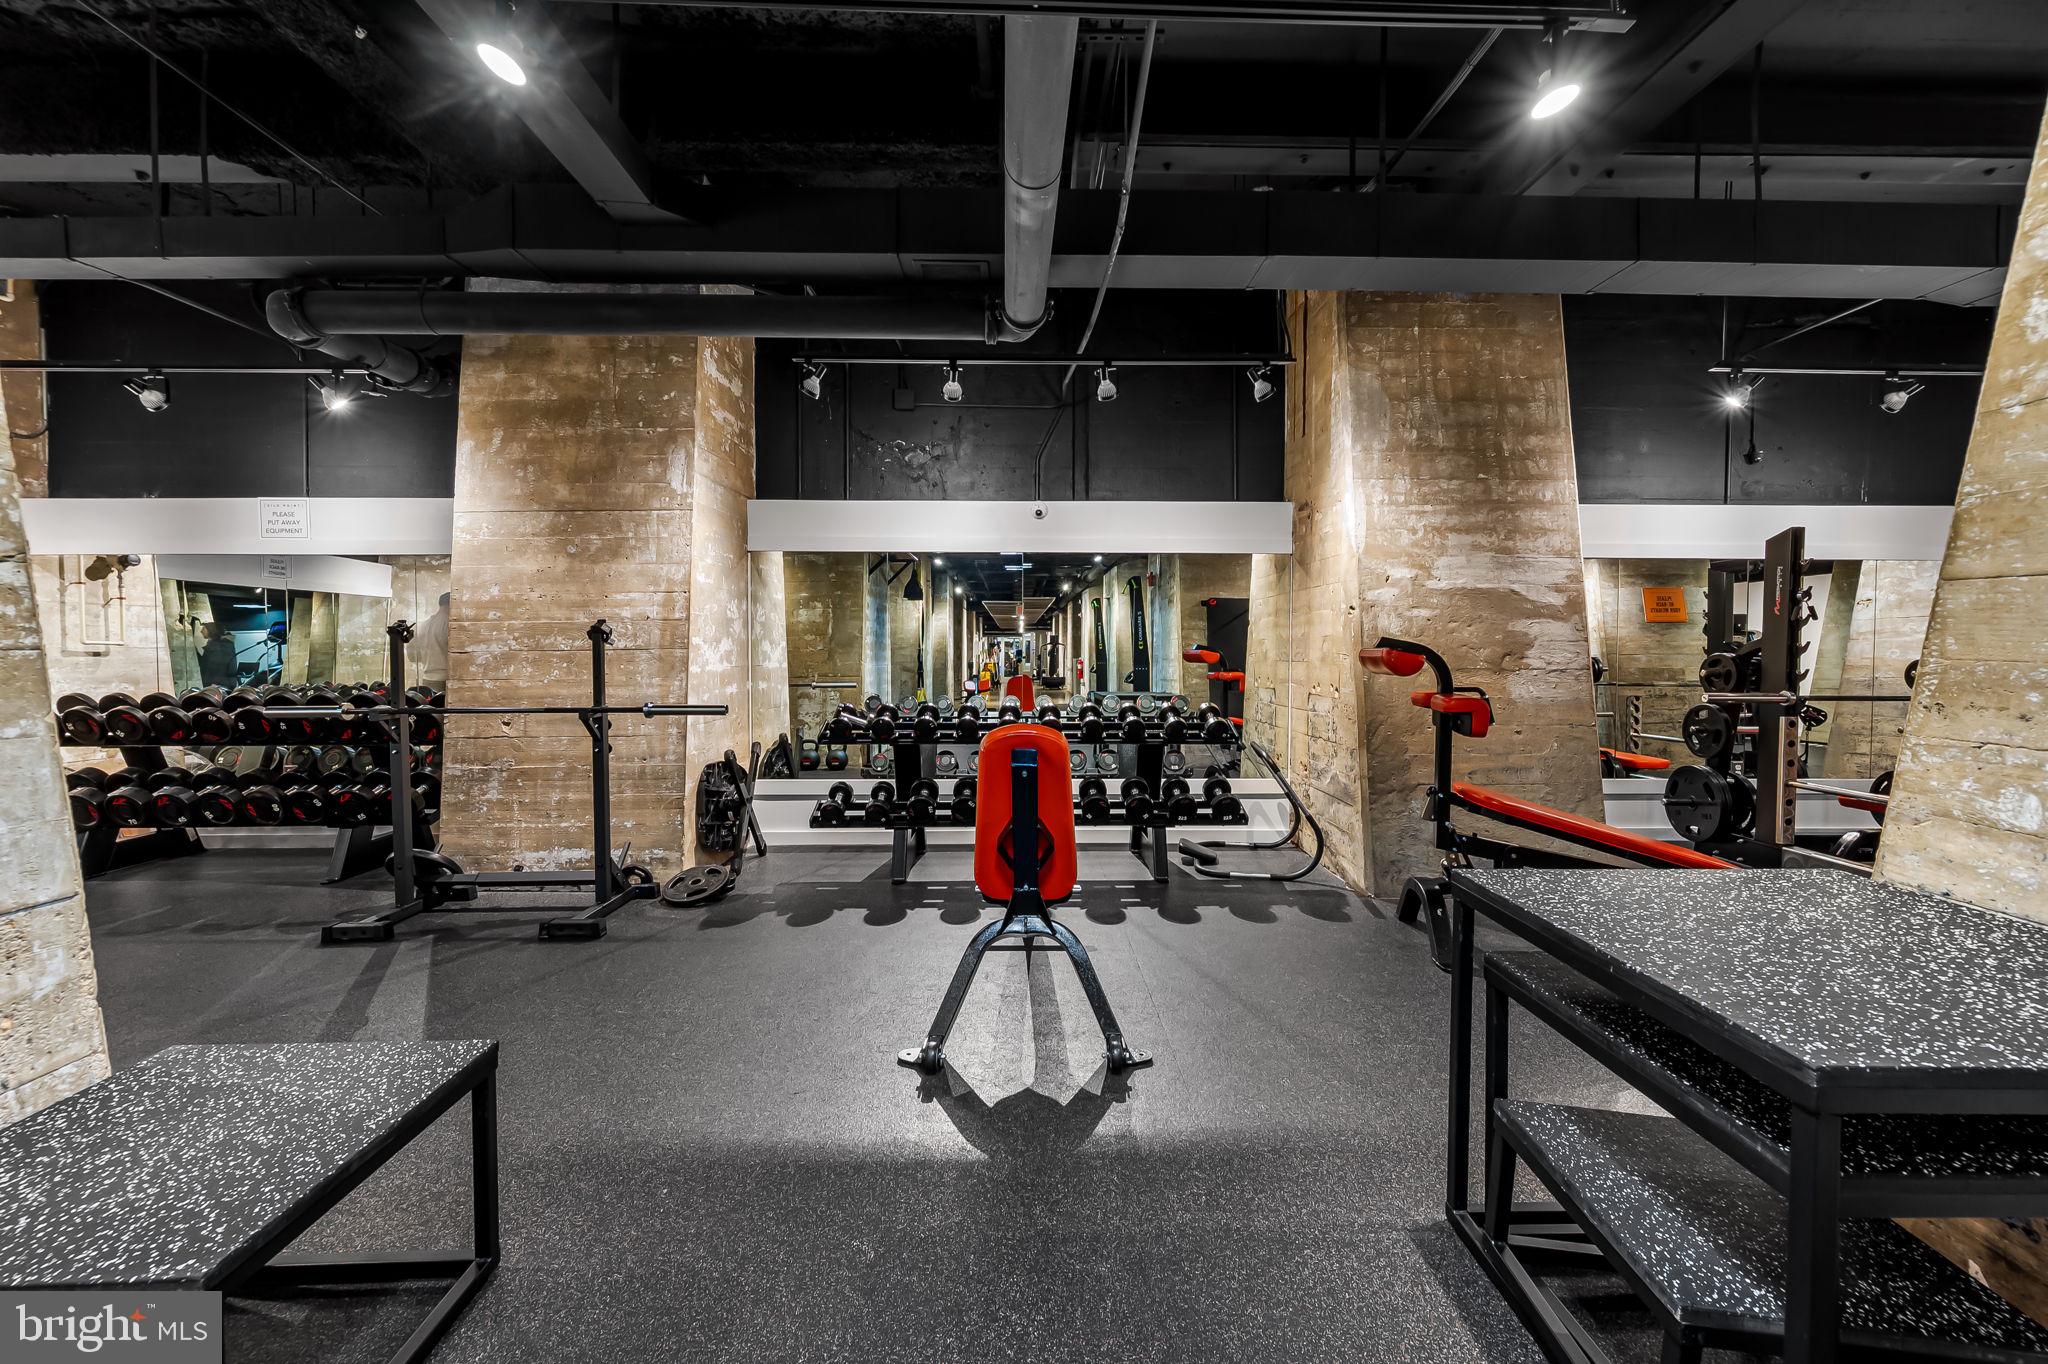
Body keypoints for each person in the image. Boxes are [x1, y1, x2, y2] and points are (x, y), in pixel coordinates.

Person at [417, 592, 450, 691]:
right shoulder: (449, 623)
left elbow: (412, 655)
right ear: (451, 604)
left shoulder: (424, 624)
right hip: (443, 680)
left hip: (426, 679)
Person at [196, 620, 238, 689]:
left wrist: (215, 683)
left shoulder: (219, 647)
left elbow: (214, 668)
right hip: (218, 685)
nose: (201, 631)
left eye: (204, 628)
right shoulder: (222, 645)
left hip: (217, 686)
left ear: (210, 630)